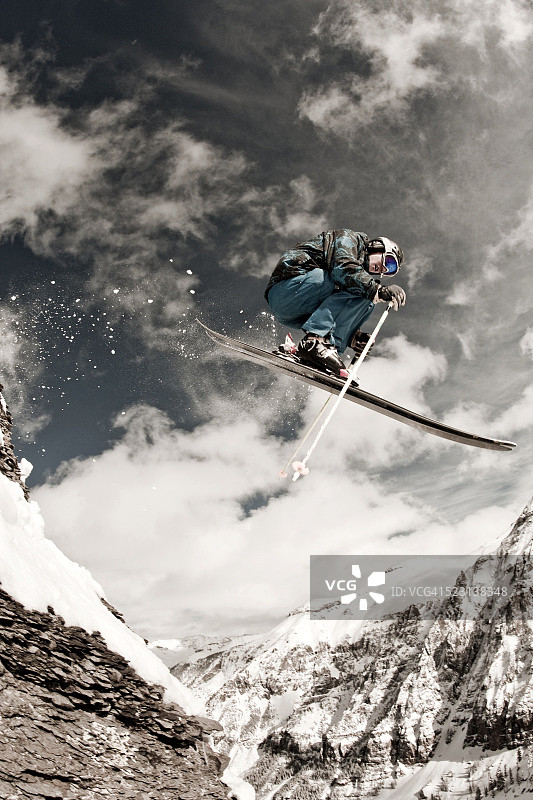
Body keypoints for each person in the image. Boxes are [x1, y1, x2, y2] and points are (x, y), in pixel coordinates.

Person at [264, 229, 406, 376]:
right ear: (377, 246)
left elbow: (342, 305)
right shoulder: (349, 239)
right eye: (388, 261)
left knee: (367, 299)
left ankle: (318, 351)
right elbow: (342, 267)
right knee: (361, 287)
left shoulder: (360, 275)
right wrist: (379, 290)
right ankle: (315, 343)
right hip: (288, 287)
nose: (384, 269)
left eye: (390, 270)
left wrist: (354, 337)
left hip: (295, 312)